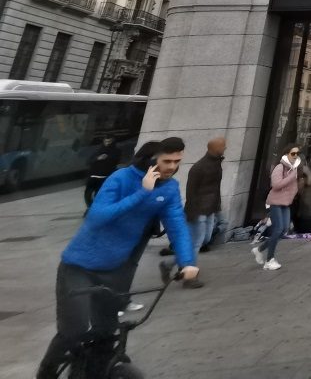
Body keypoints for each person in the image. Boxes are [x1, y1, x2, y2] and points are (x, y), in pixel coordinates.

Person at [36, 138, 200, 379]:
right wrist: (142, 192)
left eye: (177, 161)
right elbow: (97, 217)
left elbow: (177, 224)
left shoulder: (169, 188)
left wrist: (187, 261)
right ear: (149, 161)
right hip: (79, 267)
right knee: (74, 329)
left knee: (106, 331)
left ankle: (92, 373)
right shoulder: (121, 178)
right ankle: (46, 373)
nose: (172, 167)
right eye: (167, 161)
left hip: (115, 268)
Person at [253, 143, 304, 271]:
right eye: (293, 153)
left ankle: (259, 249)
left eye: (297, 153)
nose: (295, 156)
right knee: (278, 229)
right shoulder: (280, 167)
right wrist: (292, 177)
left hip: (285, 203)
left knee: (283, 230)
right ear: (286, 154)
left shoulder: (294, 169)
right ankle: (269, 260)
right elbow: (276, 184)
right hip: (275, 202)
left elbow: (293, 187)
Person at [184, 136, 226, 266]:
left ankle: (170, 264)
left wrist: (217, 206)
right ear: (214, 148)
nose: (225, 148)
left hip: (211, 207)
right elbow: (190, 191)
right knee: (197, 241)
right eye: (222, 145)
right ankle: (189, 271)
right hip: (199, 209)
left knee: (205, 239)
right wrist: (192, 213)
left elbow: (216, 188)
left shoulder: (216, 164)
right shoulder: (199, 167)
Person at [84, 135, 122, 210]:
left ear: (113, 141)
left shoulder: (116, 151)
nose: (107, 143)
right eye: (106, 141)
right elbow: (88, 161)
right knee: (87, 194)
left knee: (98, 194)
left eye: (109, 141)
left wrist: (107, 158)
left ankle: (96, 209)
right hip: (93, 175)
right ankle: (91, 208)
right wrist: (98, 158)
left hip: (104, 177)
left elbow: (115, 161)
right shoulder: (98, 150)